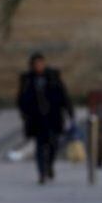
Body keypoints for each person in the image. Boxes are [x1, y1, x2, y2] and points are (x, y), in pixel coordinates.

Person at [17, 53, 74, 183]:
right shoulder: (27, 79)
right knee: (39, 146)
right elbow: (21, 98)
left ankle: (49, 165)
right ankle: (41, 173)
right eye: (36, 64)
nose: (39, 66)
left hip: (53, 117)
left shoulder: (53, 76)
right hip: (36, 118)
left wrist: (69, 112)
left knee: (53, 144)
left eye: (41, 63)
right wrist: (25, 113)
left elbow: (63, 95)